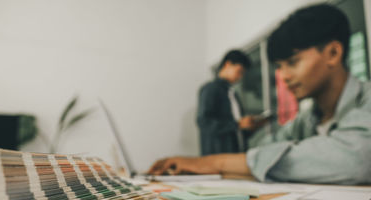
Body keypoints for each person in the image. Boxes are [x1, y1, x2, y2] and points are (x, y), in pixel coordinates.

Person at [148, 4, 371, 185]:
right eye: (280, 67)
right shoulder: (307, 120)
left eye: (292, 62)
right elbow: (264, 145)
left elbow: (355, 159)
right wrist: (211, 162)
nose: (283, 77)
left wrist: (215, 163)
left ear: (333, 53)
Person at [197, 50, 267, 155]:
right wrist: (238, 124)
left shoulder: (232, 94)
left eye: (243, 73)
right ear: (228, 64)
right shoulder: (210, 89)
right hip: (218, 158)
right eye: (239, 71)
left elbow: (236, 132)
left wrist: (252, 127)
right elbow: (204, 122)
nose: (240, 77)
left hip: (237, 155)